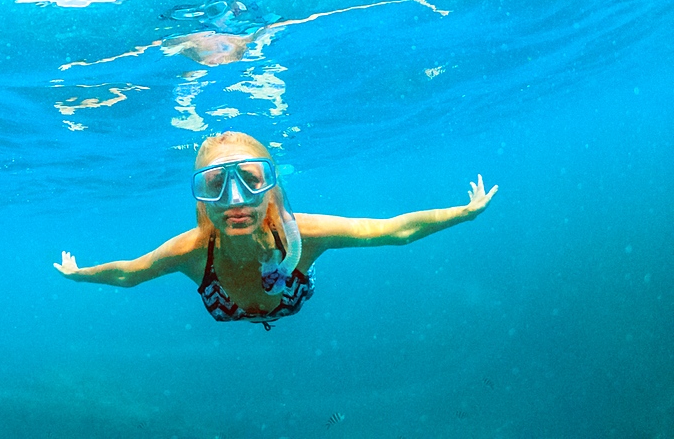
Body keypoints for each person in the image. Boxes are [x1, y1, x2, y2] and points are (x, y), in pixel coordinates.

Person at [54, 131, 498, 329]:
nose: (235, 199)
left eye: (251, 179)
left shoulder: (303, 234)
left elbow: (391, 231)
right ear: (201, 198)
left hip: (289, 292)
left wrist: (466, 212)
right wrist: (81, 273)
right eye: (215, 184)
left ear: (272, 187)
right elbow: (130, 273)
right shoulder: (192, 250)